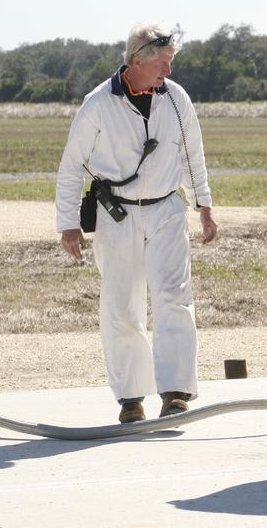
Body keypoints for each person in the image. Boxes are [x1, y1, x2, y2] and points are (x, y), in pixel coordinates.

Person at [55, 24, 217, 424]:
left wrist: (204, 207)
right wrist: (68, 223)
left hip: (166, 210)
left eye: (171, 61)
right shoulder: (98, 104)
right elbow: (72, 166)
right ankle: (131, 397)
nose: (168, 68)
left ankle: (176, 392)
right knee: (122, 305)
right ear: (138, 59)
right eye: (162, 61)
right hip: (117, 217)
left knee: (173, 298)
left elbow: (192, 156)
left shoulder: (177, 99)